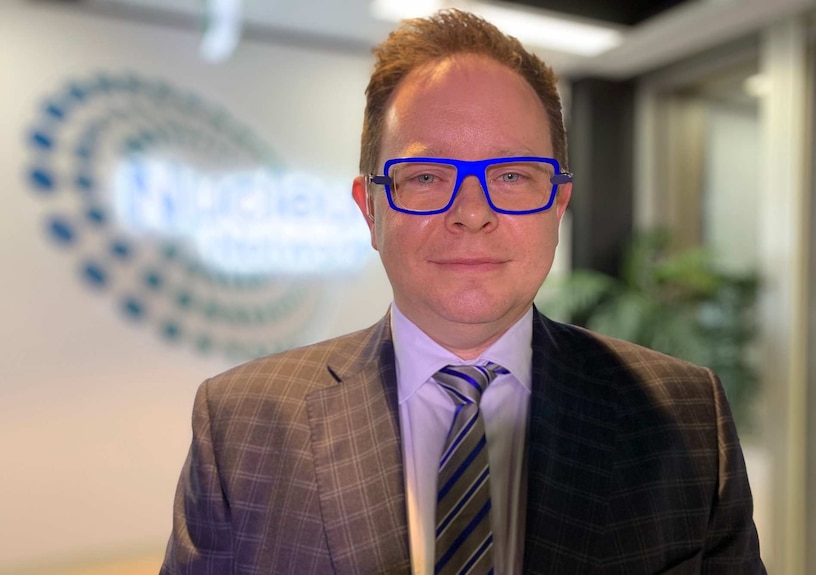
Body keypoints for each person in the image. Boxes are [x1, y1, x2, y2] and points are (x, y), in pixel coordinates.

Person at [161, 9, 765, 575]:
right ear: (370, 210)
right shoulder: (240, 425)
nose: (471, 213)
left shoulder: (687, 416)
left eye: (510, 175)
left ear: (558, 205)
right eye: (426, 176)